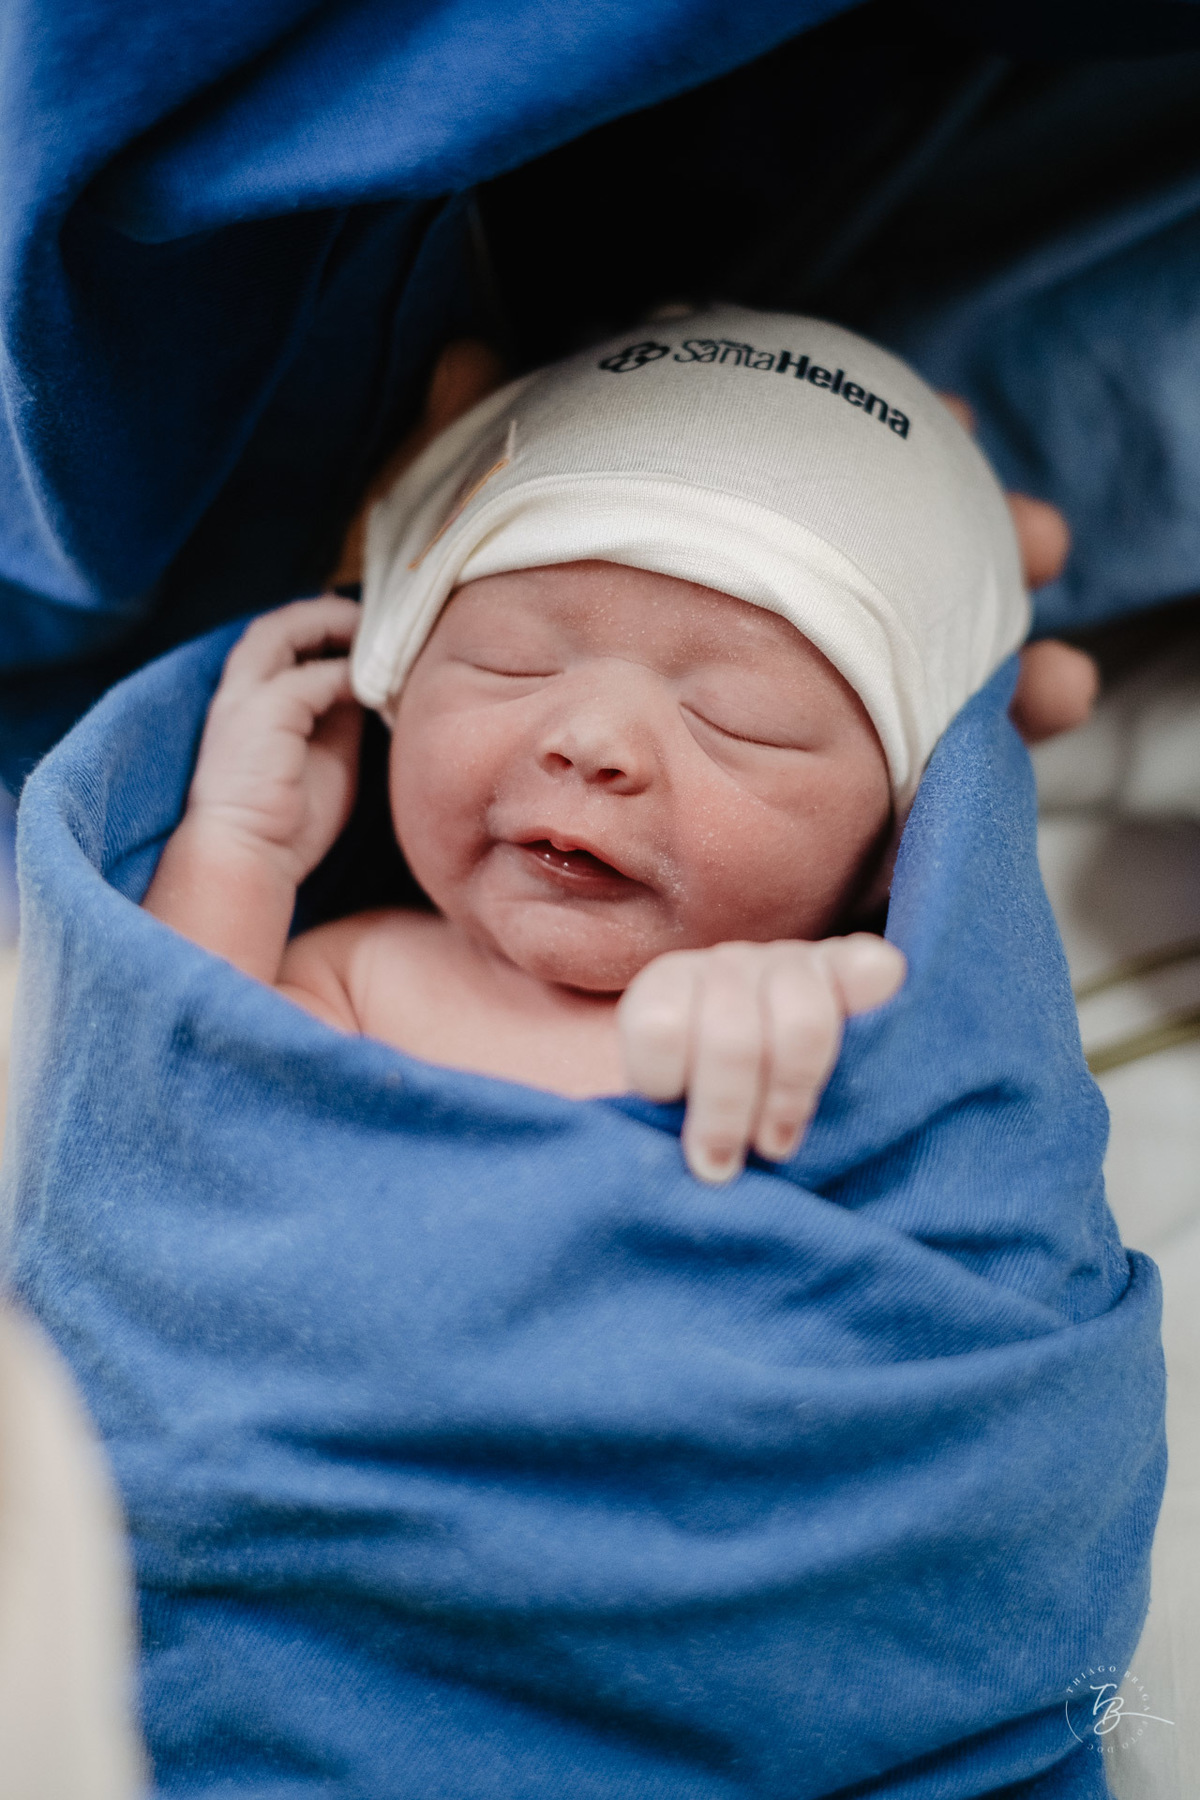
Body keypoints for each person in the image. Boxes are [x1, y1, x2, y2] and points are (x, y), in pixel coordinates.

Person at [142, 306, 1096, 1183]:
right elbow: (158, 1123)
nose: (593, 744)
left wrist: (808, 1029)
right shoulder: (358, 977)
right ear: (395, 675)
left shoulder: (826, 1014)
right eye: (511, 664)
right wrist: (237, 852)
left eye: (736, 719)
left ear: (902, 840)